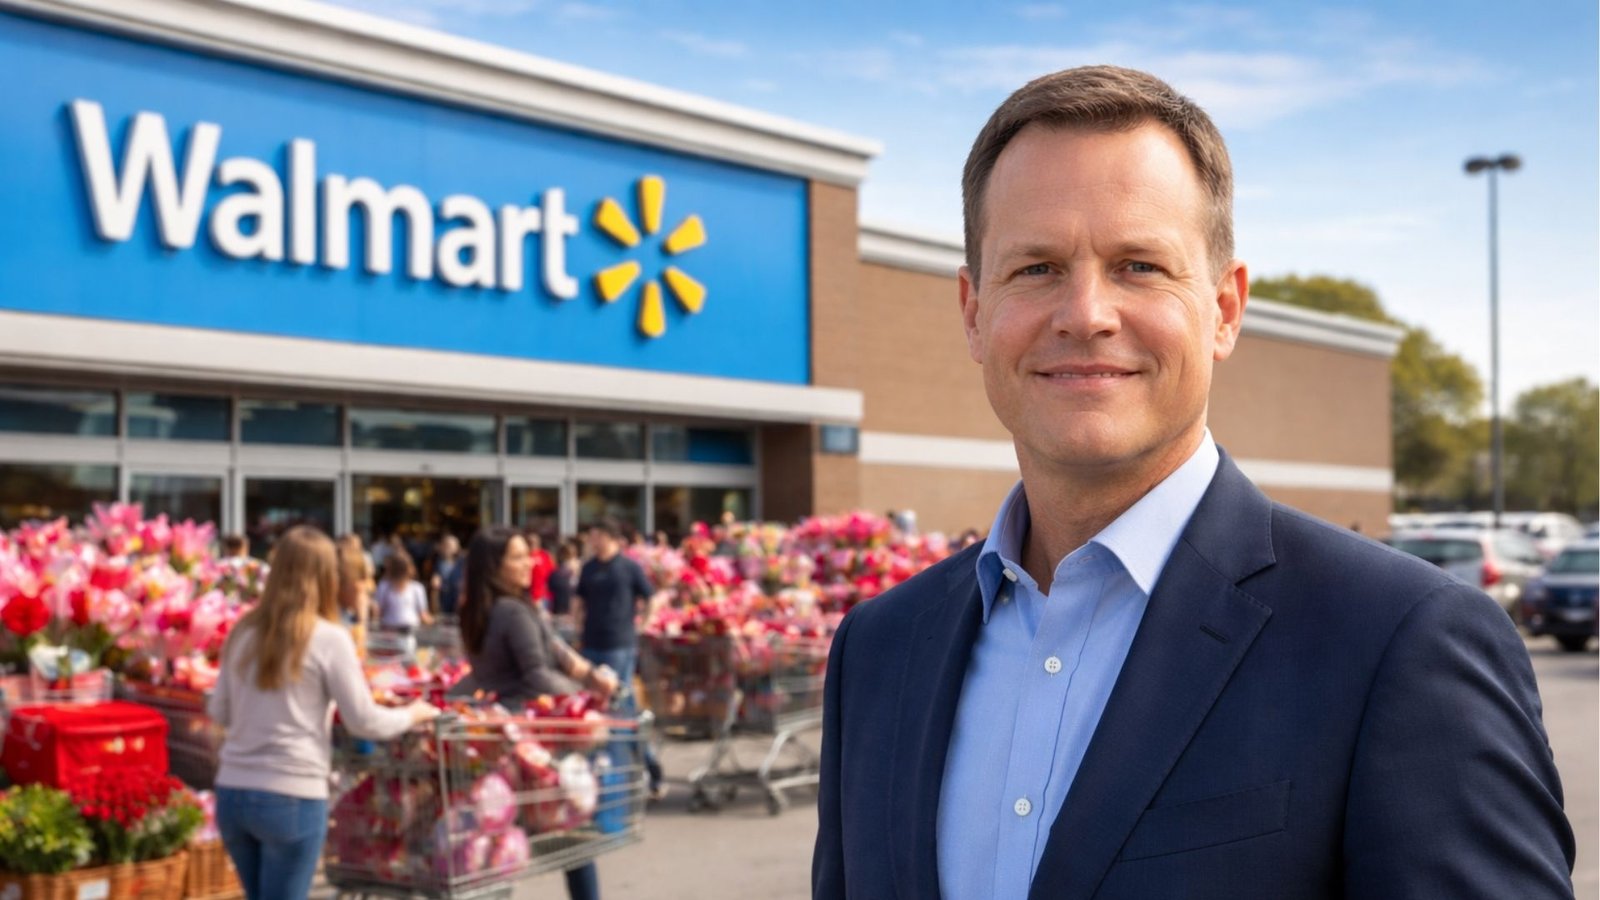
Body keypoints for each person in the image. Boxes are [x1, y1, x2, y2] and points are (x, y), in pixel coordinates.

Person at [811, 66, 1574, 899]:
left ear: (1224, 309)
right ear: (972, 312)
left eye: (1138, 265)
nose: (1086, 312)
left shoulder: (1399, 642)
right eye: (1035, 268)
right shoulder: (879, 651)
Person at [209, 526, 437, 900]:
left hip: (234, 789)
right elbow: (363, 720)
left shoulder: (243, 632)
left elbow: (219, 709)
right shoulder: (329, 638)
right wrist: (415, 714)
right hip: (293, 791)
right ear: (327, 577)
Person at [455, 526, 620, 900]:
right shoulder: (513, 611)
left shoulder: (480, 609)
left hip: (503, 738)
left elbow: (555, 652)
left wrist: (590, 676)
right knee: (573, 837)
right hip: (533, 737)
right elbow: (538, 674)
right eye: (517, 557)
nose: (530, 562)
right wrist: (582, 701)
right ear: (495, 567)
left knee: (503, 841)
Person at [575, 521, 664, 799]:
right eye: (592, 536)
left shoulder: (628, 567)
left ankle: (643, 769)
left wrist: (644, 623)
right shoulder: (589, 569)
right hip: (591, 644)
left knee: (620, 710)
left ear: (613, 538)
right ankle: (611, 774)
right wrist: (577, 630)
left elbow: (652, 596)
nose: (593, 541)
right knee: (599, 711)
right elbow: (578, 603)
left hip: (619, 644)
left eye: (598, 535)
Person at [374, 551, 432, 659]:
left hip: (408, 633)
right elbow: (378, 611)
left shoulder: (417, 588)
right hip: (388, 634)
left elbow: (423, 615)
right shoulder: (384, 586)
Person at [431, 533, 464, 616]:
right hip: (442, 601)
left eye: (449, 546)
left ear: (457, 548)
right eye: (444, 545)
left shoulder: (462, 563)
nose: (446, 548)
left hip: (457, 601)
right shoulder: (435, 563)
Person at [526, 531, 555, 611]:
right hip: (529, 596)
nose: (533, 543)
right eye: (530, 541)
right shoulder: (525, 556)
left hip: (544, 596)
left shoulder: (545, 555)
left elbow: (552, 574)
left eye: (535, 541)